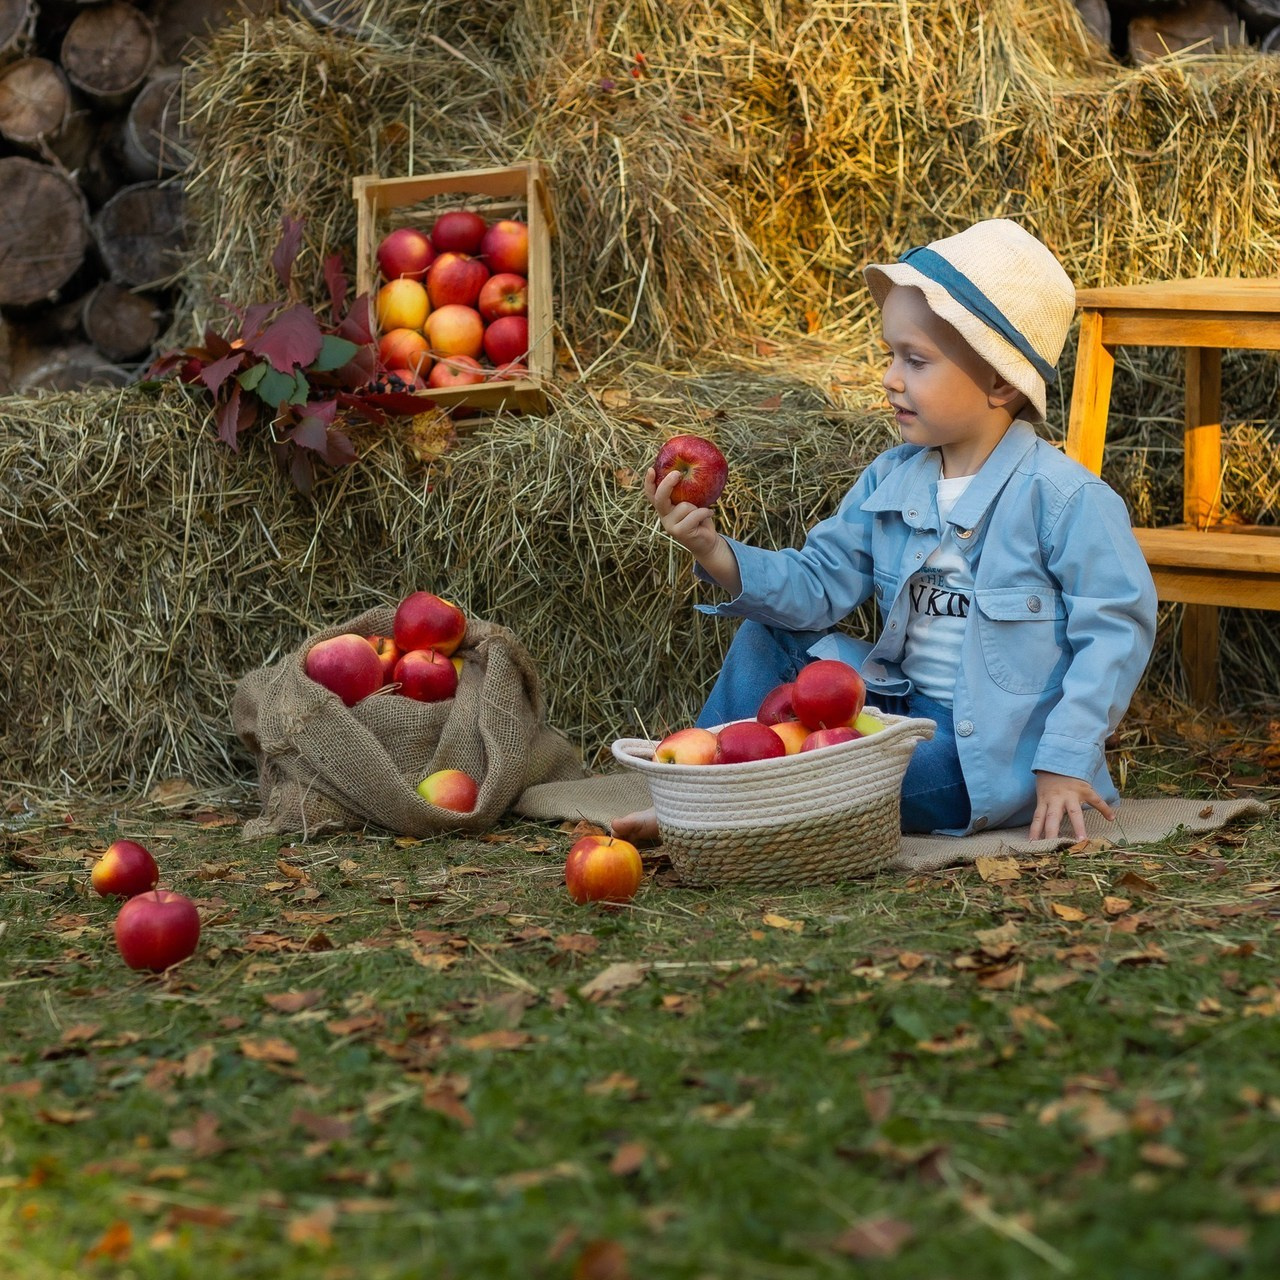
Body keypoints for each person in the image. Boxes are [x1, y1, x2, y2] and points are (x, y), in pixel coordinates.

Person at [614, 219, 1157, 845]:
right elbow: (818, 587)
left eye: (916, 361)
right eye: (890, 355)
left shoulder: (1065, 499)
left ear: (1001, 382)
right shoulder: (891, 479)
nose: (891, 378)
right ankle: (701, 784)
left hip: (982, 756)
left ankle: (729, 814)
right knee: (770, 636)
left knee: (861, 782)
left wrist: (1061, 762)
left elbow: (1115, 631)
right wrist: (712, 549)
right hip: (894, 713)